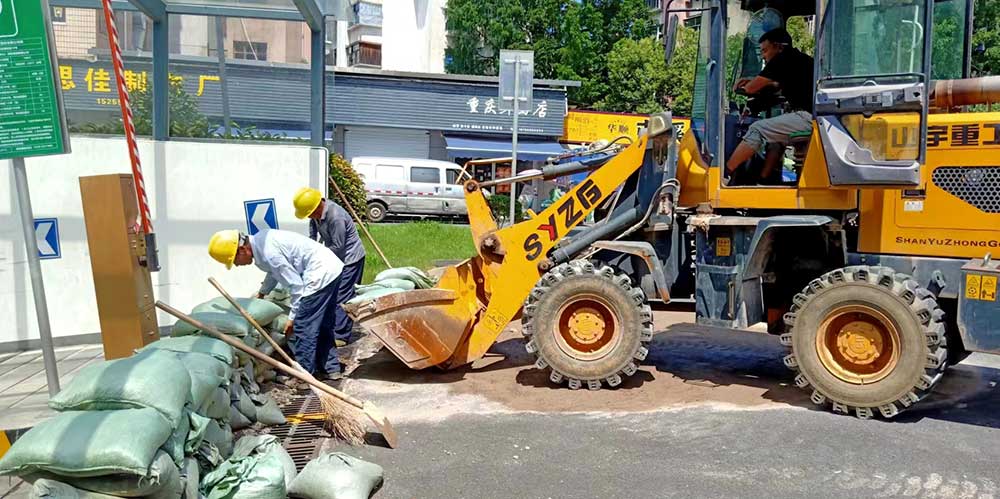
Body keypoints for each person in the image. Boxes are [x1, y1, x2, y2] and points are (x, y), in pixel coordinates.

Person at [207, 228, 346, 380]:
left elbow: (297, 287)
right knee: (323, 323)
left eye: (234, 261)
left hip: (319, 275)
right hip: (332, 268)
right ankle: (331, 369)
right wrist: (263, 292)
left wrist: (292, 318)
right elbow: (273, 272)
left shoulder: (269, 253)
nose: (237, 265)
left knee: (302, 327)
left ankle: (306, 378)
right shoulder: (262, 242)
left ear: (242, 250)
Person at [727, 28, 814, 181]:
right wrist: (754, 104)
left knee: (757, 129)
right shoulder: (798, 60)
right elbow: (775, 89)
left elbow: (750, 89)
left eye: (765, 51)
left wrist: (739, 86)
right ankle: (763, 179)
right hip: (814, 117)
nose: (764, 56)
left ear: (778, 46)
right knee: (776, 141)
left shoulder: (782, 59)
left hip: (807, 117)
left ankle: (724, 173)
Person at [292, 187, 367, 347]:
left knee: (343, 295)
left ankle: (341, 335)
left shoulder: (335, 216)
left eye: (311, 214)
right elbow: (313, 230)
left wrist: (318, 257)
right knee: (332, 293)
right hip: (334, 258)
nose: (311, 217)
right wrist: (310, 247)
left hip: (350, 259)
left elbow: (338, 246)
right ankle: (332, 328)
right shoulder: (315, 213)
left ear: (318, 206)